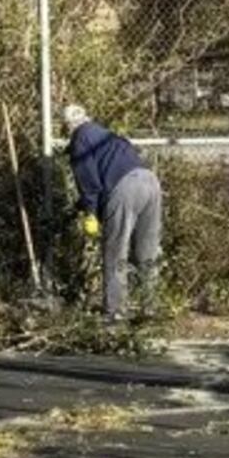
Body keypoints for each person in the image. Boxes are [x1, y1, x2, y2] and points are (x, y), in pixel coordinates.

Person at [62, 102, 166, 320]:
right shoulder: (107, 135)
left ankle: (115, 312)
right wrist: (80, 206)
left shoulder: (80, 139)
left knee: (115, 251)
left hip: (124, 189)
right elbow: (108, 172)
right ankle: (151, 308)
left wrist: (90, 212)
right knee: (147, 250)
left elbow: (89, 182)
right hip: (150, 182)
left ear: (68, 126)